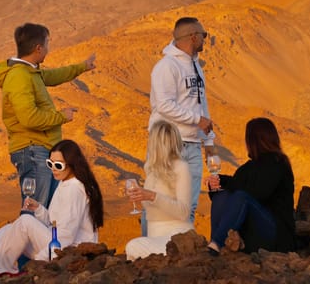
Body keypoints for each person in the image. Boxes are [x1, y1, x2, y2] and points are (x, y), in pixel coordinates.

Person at [0, 22, 97, 208]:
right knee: (35, 210)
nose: (49, 48)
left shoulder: (31, 72)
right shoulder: (20, 76)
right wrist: (61, 116)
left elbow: (54, 75)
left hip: (41, 149)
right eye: (47, 43)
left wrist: (82, 67)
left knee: (45, 211)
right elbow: (29, 118)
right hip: (32, 150)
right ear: (38, 48)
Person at [0, 140, 104, 274]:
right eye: (50, 164)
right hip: (57, 242)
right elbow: (55, 222)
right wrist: (38, 209)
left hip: (68, 250)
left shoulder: (74, 190)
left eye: (58, 165)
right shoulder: (65, 183)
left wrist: (39, 261)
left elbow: (66, 235)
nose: (53, 169)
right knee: (9, 229)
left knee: (25, 222)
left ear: (72, 164)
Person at [148, 16, 216, 225]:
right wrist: (197, 120)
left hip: (194, 144)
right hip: (169, 143)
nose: (205, 39)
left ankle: (185, 248)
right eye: (203, 35)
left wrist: (209, 141)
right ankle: (149, 251)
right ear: (193, 37)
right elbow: (164, 105)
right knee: (157, 200)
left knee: (189, 205)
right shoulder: (167, 66)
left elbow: (200, 103)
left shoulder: (196, 67)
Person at [206, 117, 296, 254]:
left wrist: (225, 182)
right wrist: (216, 185)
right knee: (222, 196)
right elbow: (235, 186)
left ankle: (218, 244)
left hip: (276, 234)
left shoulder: (277, 164)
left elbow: (258, 192)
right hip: (254, 231)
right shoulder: (249, 167)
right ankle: (215, 242)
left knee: (241, 197)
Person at [124, 121, 193, 260]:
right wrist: (140, 196)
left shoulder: (181, 167)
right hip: (154, 235)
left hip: (177, 236)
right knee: (134, 252)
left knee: (132, 246)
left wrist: (152, 196)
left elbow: (184, 211)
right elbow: (153, 207)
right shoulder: (152, 169)